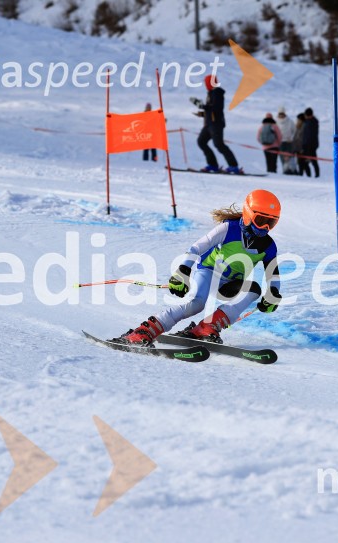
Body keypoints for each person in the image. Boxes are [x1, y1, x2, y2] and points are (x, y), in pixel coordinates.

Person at [113, 189, 283, 345]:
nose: (265, 228)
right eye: (261, 221)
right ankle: (145, 330)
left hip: (231, 284)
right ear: (247, 215)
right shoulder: (228, 229)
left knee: (253, 290)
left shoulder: (268, 246)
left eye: (271, 223)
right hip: (208, 272)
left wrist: (273, 294)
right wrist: (183, 271)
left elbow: (273, 274)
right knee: (197, 304)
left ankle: (206, 328)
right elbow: (196, 248)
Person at [193, 74, 242, 174]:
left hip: (216, 124)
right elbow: (211, 111)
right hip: (208, 124)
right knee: (201, 142)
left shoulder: (217, 92)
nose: (205, 84)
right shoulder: (211, 93)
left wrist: (202, 106)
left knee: (219, 144)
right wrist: (202, 113)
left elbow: (216, 108)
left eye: (206, 82)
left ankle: (234, 166)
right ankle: (213, 165)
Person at [275, 107, 297, 174]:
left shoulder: (290, 121)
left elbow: (295, 131)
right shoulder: (276, 122)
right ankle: (285, 172)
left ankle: (292, 171)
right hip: (280, 143)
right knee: (282, 158)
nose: (281, 115)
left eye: (282, 113)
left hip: (289, 142)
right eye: (280, 113)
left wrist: (291, 138)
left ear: (284, 113)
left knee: (290, 158)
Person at [301, 107, 320, 178]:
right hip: (307, 144)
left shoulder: (312, 122)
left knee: (313, 161)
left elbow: (310, 135)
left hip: (311, 145)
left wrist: (307, 145)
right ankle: (309, 175)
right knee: (306, 161)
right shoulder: (309, 122)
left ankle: (316, 176)